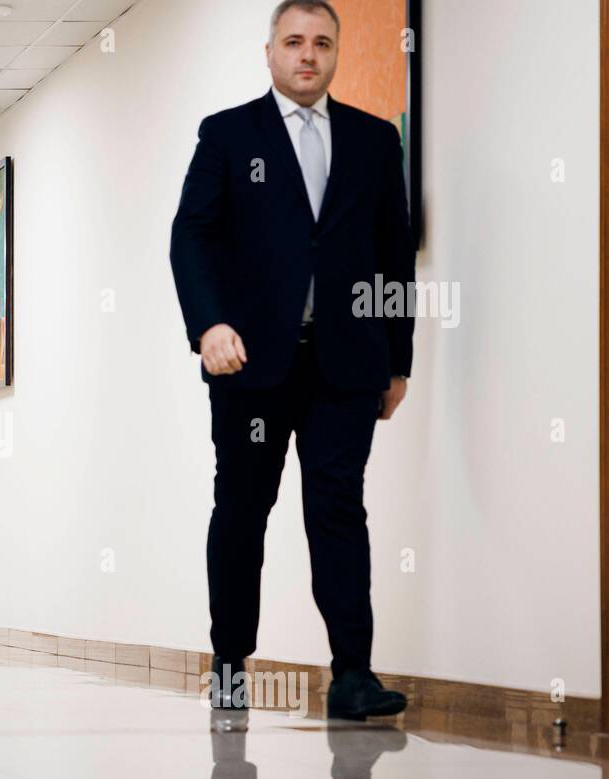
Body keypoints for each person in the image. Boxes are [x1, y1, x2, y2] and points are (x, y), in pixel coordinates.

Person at [169, 0, 415, 721]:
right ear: (270, 52)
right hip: (250, 365)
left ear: (336, 54)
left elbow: (392, 255)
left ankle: (353, 674)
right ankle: (230, 661)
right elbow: (191, 236)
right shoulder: (227, 134)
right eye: (295, 42)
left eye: (322, 44)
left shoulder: (374, 141)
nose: (308, 55)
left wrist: (398, 358)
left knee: (338, 507)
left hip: (347, 366)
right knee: (245, 510)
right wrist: (208, 325)